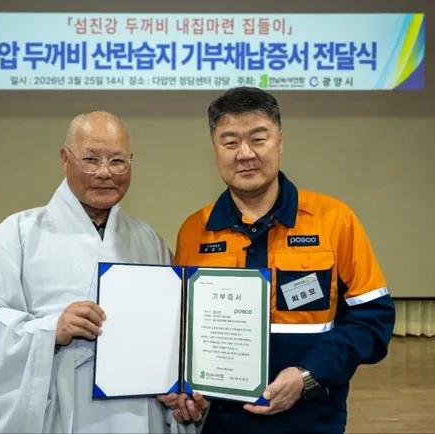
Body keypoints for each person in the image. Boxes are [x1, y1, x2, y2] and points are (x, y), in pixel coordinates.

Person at [0, 111, 198, 433]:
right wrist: (51, 330)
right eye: (91, 159)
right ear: (65, 159)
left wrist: (176, 385)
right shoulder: (19, 234)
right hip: (59, 408)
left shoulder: (147, 240)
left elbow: (173, 328)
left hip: (137, 408)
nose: (105, 173)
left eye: (118, 161)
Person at [168, 87, 396, 433]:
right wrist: (185, 391)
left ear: (280, 142)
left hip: (312, 419)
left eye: (258, 139)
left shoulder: (334, 220)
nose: (245, 154)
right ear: (215, 149)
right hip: (221, 423)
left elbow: (373, 320)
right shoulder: (194, 231)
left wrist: (308, 375)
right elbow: (181, 331)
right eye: (230, 142)